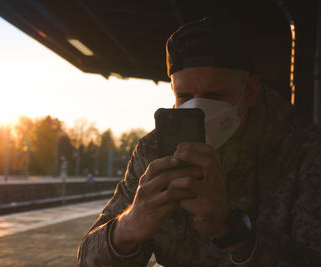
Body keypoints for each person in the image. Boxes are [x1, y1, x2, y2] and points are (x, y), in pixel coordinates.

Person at [77, 17, 321, 266]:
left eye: (214, 96)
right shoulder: (154, 152)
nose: (198, 108)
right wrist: (128, 227)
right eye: (184, 96)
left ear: (249, 92)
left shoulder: (304, 153)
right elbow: (87, 260)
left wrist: (232, 232)